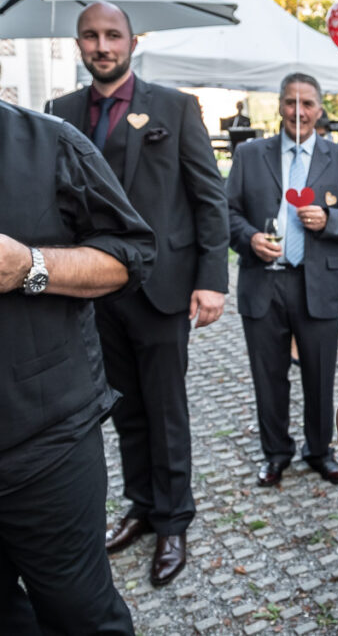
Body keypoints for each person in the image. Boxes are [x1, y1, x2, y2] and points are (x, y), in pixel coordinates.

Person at [48, 1, 230, 586]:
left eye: (112, 35)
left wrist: (210, 279)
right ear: (78, 44)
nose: (102, 45)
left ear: (132, 40)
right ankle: (141, 508)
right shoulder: (60, 113)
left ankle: (174, 518)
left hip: (163, 287)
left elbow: (209, 198)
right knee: (122, 408)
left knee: (166, 409)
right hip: (92, 293)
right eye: (90, 36)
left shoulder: (174, 108)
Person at [0, 100, 155, 634]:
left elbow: (132, 255)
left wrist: (30, 267)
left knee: (79, 615)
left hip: (42, 447)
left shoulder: (51, 143)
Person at [226, 73, 338, 488]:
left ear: (320, 109)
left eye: (307, 104)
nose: (298, 112)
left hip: (318, 283)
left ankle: (319, 450)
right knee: (267, 374)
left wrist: (330, 220)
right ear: (280, 106)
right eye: (290, 102)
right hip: (262, 281)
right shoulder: (250, 155)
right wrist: (249, 238)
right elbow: (226, 212)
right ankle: (275, 453)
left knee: (321, 375)